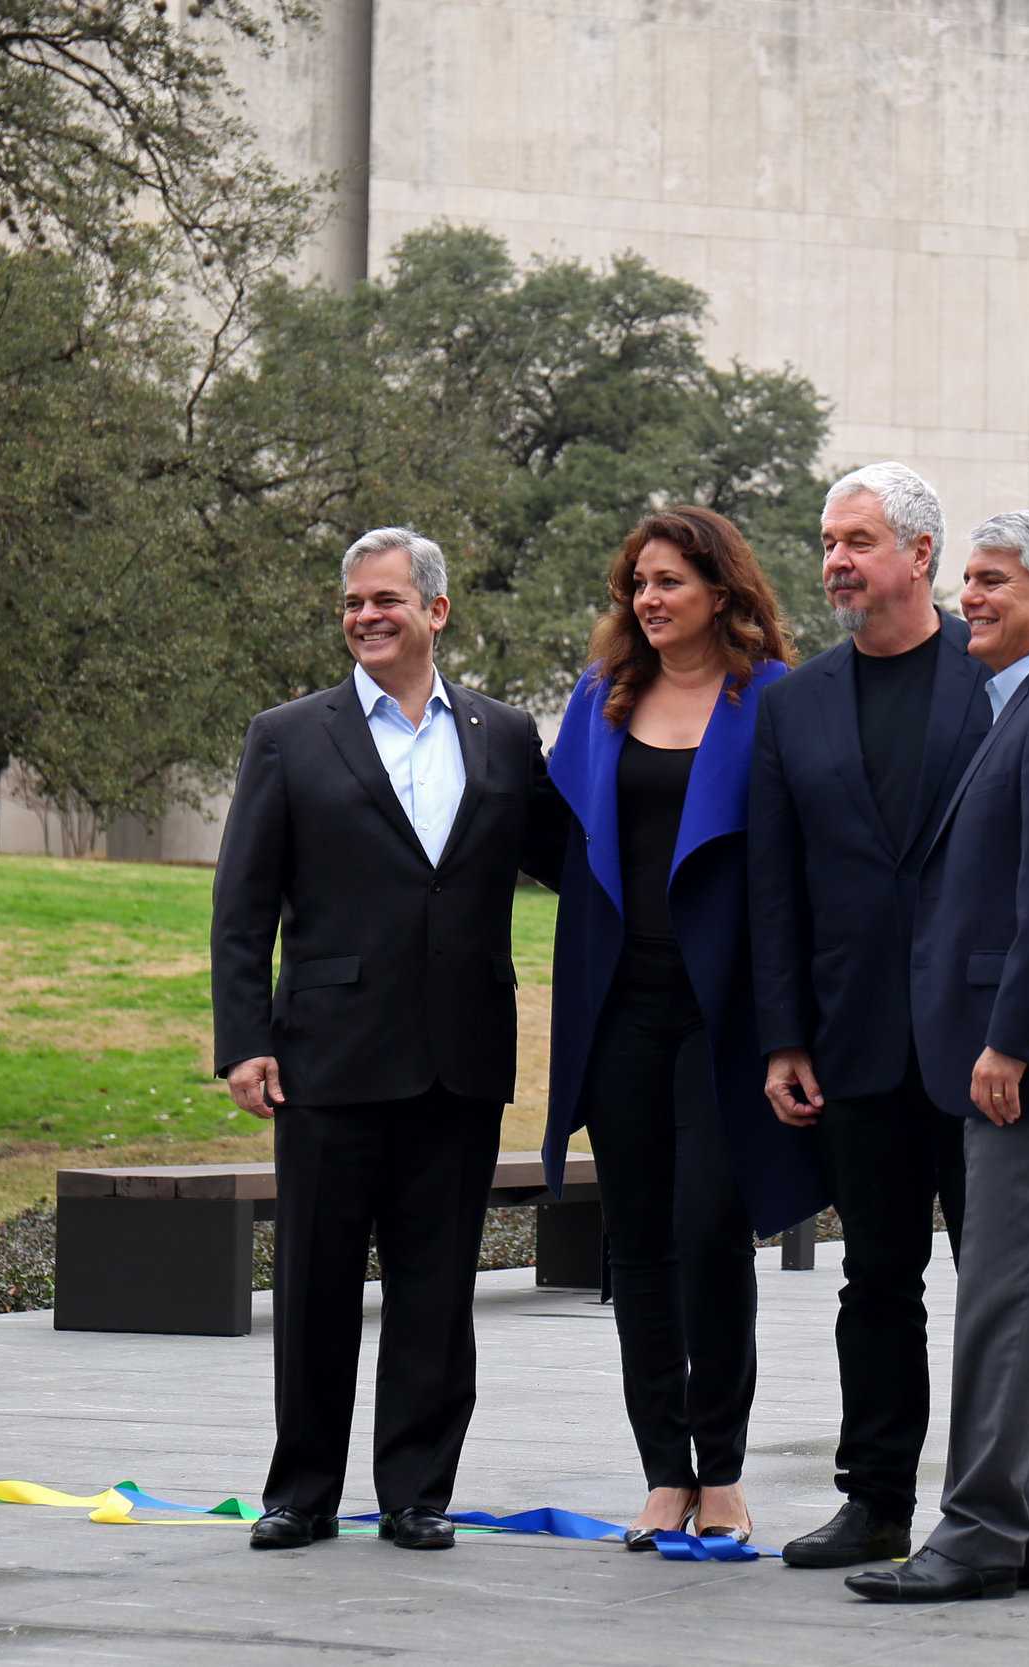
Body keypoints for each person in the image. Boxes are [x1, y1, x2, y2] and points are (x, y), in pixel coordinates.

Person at [751, 464, 1029, 1570]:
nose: (835, 559)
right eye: (826, 539)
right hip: (865, 1040)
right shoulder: (806, 700)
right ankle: (1005, 1515)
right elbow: (775, 879)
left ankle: (985, 1524)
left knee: (1008, 1289)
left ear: (919, 555)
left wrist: (1010, 1034)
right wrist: (785, 1030)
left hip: (998, 1047)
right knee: (976, 1288)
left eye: (858, 538)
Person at [210, 526, 558, 1553]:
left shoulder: (502, 733)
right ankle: (301, 1491)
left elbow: (571, 857)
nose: (366, 616)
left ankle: (418, 1490)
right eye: (353, 602)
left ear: (436, 612)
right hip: (325, 1053)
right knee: (316, 1283)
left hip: (460, 1056)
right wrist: (243, 1039)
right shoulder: (287, 734)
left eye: (387, 600)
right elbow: (243, 902)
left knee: (437, 1287)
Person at [541, 506, 821, 1550]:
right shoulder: (599, 699)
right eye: (637, 584)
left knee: (710, 1229)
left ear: (722, 589)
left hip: (727, 1012)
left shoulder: (773, 700)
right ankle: (663, 1471)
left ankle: (724, 1467)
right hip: (619, 1005)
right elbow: (556, 838)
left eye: (669, 581)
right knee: (641, 1239)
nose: (649, 600)